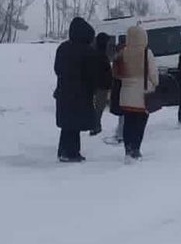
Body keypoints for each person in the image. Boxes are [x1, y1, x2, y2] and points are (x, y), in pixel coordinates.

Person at [54, 17, 111, 163]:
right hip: (80, 93)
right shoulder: (87, 52)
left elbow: (57, 69)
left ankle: (63, 151)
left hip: (63, 92)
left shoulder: (62, 48)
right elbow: (92, 74)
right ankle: (71, 153)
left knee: (67, 124)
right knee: (75, 124)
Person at [117, 25, 159, 160]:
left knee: (128, 122)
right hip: (142, 95)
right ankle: (135, 148)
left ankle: (127, 149)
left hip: (126, 95)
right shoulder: (147, 53)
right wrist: (155, 83)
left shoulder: (123, 52)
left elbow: (116, 73)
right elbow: (153, 74)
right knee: (139, 123)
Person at [90, 32, 112, 136]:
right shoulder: (101, 55)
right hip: (101, 85)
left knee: (99, 107)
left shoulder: (96, 52)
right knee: (99, 107)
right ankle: (95, 126)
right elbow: (104, 71)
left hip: (99, 84)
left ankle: (95, 126)